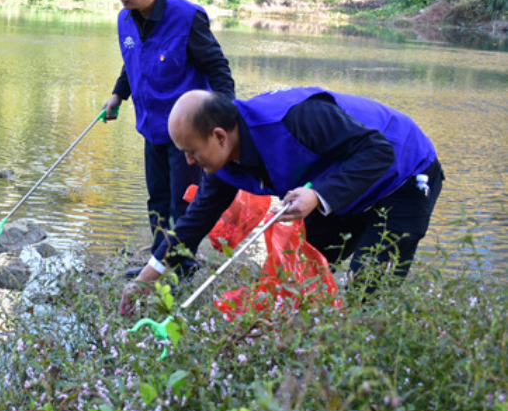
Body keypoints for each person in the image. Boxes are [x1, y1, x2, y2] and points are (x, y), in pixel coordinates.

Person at [120, 87, 444, 315]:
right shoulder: (221, 166)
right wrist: (142, 283)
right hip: (342, 183)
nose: (188, 161)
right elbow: (191, 227)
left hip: (403, 175)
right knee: (294, 278)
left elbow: (379, 151)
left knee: (367, 291)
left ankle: (362, 379)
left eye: (191, 151)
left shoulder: (295, 118)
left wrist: (317, 195)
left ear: (219, 136)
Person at [101, 0, 235, 272]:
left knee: (182, 202)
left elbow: (218, 68)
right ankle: (158, 263)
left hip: (188, 132)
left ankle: (181, 266)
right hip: (152, 126)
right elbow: (134, 61)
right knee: (157, 200)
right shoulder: (125, 19)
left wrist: (227, 119)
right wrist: (118, 95)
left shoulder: (187, 17)